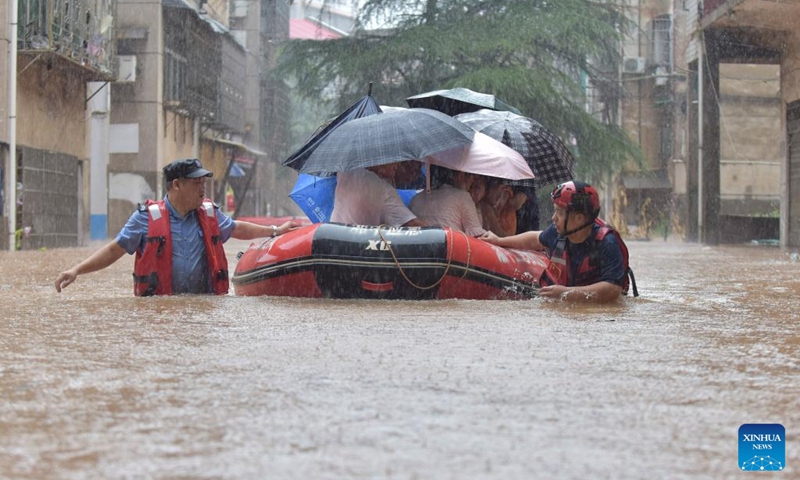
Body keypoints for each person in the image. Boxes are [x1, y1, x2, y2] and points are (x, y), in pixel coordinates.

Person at [55, 158, 301, 296]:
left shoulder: (208, 212)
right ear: (176, 185)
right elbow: (114, 250)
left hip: (202, 309)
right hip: (161, 314)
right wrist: (77, 270)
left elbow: (236, 228)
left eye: (204, 182)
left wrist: (274, 232)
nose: (203, 188)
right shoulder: (145, 218)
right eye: (196, 183)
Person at [480, 181, 636, 303]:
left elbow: (612, 289)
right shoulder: (559, 231)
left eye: (559, 213)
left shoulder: (608, 243)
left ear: (579, 218)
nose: (553, 218)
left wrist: (565, 293)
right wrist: (499, 241)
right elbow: (535, 239)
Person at [330, 163, 426, 227]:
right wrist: (439, 234)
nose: (398, 164)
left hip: (334, 236)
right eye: (391, 157)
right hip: (357, 249)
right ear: (379, 157)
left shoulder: (346, 170)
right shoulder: (382, 189)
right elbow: (415, 226)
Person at [409, 166, 485, 236]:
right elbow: (476, 236)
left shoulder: (416, 198)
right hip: (450, 248)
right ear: (460, 175)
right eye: (471, 177)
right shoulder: (463, 196)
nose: (471, 183)